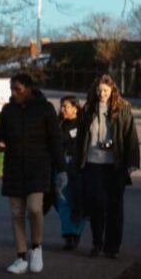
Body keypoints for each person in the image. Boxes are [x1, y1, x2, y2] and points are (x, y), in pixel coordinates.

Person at [0, 73, 64, 275]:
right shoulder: (8, 110)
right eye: (12, 89)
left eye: (18, 89)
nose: (14, 93)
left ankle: (36, 246)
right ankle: (21, 256)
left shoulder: (45, 109)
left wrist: (61, 169)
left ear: (29, 88)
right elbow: (0, 135)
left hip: (38, 168)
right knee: (16, 213)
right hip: (14, 168)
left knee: (35, 209)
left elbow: (55, 140)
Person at [74, 74, 141, 259]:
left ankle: (112, 247)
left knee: (114, 206)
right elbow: (81, 138)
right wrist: (78, 161)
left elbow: (130, 137)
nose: (102, 94)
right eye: (99, 90)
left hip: (114, 165)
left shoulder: (122, 110)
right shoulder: (88, 110)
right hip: (92, 163)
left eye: (105, 90)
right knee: (95, 203)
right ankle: (97, 243)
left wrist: (131, 163)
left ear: (112, 91)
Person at [56, 95, 88, 251]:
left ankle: (76, 232)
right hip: (61, 166)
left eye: (66, 106)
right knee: (63, 200)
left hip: (78, 166)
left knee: (79, 201)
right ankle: (68, 234)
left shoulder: (83, 125)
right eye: (61, 106)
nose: (62, 110)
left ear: (75, 108)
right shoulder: (58, 124)